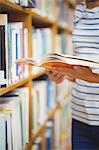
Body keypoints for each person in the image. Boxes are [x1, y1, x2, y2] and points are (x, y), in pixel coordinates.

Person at [46, 0, 99, 149]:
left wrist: (92, 78)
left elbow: (88, 74)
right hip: (80, 117)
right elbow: (79, 69)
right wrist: (64, 73)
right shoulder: (79, 10)